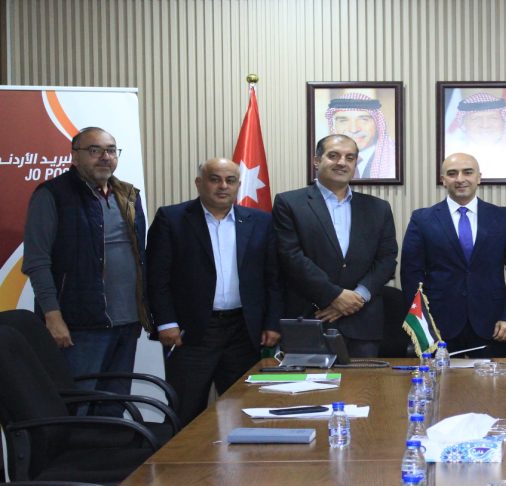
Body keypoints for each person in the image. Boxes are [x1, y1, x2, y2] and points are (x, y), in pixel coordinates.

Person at [22, 126, 152, 407]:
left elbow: (139, 256)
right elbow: (37, 262)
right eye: (95, 150)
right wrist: (53, 317)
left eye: (111, 150)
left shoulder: (128, 194)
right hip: (78, 325)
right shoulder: (52, 195)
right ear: (75, 156)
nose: (105, 157)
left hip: (128, 322)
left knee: (115, 405)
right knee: (76, 407)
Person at [146, 158, 282, 425]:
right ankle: (183, 455)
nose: (223, 186)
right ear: (199, 183)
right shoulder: (172, 219)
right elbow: (156, 277)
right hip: (191, 332)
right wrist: (166, 322)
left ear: (238, 185)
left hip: (243, 331)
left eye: (230, 181)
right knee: (186, 410)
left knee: (244, 409)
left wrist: (272, 323)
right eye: (215, 179)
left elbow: (273, 278)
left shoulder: (260, 221)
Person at [274, 134, 398, 357]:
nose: (342, 162)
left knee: (364, 382)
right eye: (333, 156)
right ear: (316, 161)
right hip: (311, 317)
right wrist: (335, 296)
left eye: (350, 158)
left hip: (363, 323)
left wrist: (358, 297)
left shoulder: (378, 208)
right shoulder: (289, 203)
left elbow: (387, 260)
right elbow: (291, 257)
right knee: (309, 381)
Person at [400, 153, 506, 358]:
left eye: (467, 172)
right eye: (452, 173)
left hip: (493, 324)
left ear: (479, 177)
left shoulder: (503, 217)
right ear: (443, 180)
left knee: (492, 380)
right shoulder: (422, 219)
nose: (460, 179)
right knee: (441, 380)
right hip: (438, 325)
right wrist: (423, 323)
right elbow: (411, 274)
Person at [444, 92, 506, 178]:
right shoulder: (450, 153)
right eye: (476, 118)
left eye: (493, 118)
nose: (485, 125)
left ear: (503, 121)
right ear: (464, 124)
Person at [325, 92, 396, 179]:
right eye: (343, 121)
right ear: (334, 126)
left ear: (377, 123)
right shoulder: (323, 162)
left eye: (364, 120)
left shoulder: (396, 158)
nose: (354, 129)